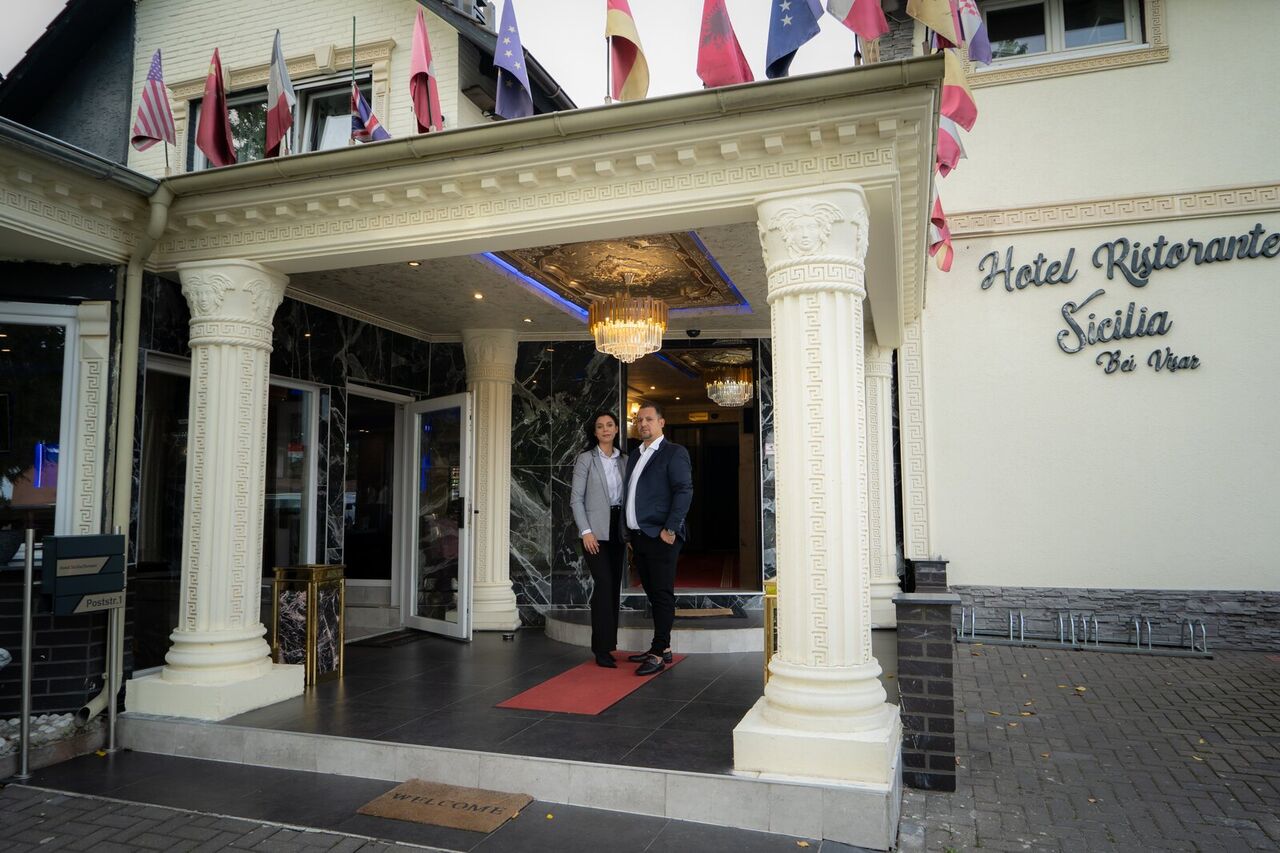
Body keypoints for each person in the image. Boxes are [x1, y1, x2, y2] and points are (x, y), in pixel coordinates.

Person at [622, 403, 693, 676]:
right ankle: (664, 648)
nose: (643, 424)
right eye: (639, 419)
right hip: (639, 537)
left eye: (649, 419)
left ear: (661, 422)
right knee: (653, 592)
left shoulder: (674, 452)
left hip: (661, 536)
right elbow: (630, 494)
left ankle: (657, 651)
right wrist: (628, 533)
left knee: (662, 594)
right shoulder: (635, 455)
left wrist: (670, 529)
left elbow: (684, 491)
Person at [570, 411, 628, 667]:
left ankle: (609, 644)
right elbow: (576, 499)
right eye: (600, 426)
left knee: (613, 586)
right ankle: (600, 649)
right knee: (603, 584)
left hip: (619, 528)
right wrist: (586, 531)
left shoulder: (625, 460)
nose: (605, 429)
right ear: (594, 432)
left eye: (610, 425)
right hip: (594, 532)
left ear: (616, 429)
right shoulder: (586, 459)